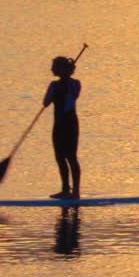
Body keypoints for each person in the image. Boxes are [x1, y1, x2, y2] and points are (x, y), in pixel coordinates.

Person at [43, 56, 81, 200]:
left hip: (70, 124)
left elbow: (71, 100)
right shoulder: (53, 85)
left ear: (62, 69)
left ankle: (75, 192)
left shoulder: (75, 84)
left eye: (54, 67)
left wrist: (65, 84)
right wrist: (55, 90)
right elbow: (46, 102)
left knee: (71, 157)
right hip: (58, 125)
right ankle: (65, 189)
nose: (52, 69)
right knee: (59, 157)